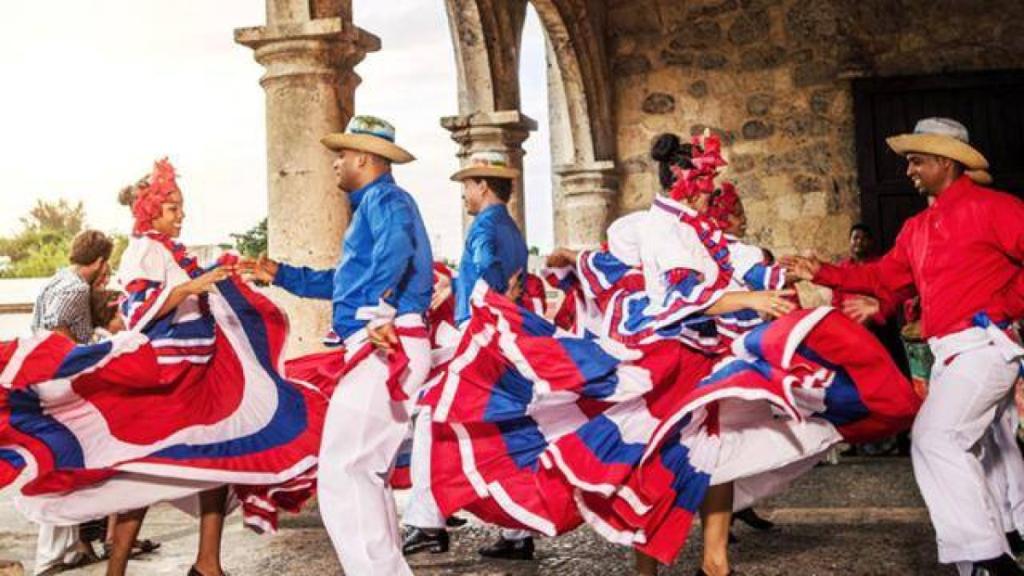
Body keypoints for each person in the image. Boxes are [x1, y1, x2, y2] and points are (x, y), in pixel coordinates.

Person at [783, 117, 1024, 576]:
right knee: (965, 447)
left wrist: (1006, 305)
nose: (908, 170)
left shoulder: (996, 208)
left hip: (984, 347)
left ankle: (991, 557)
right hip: (948, 355)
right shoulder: (917, 228)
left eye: (916, 161)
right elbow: (882, 276)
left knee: (937, 439)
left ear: (945, 162)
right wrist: (822, 272)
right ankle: (984, 555)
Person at [241, 115, 434, 576]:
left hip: (385, 342)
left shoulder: (385, 200)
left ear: (363, 158)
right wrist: (281, 274)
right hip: (388, 341)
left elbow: (395, 251)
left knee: (344, 472)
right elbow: (345, 281)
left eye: (342, 156)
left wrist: (375, 311)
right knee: (364, 472)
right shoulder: (376, 205)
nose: (336, 164)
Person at [401, 151, 536, 560]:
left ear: (483, 186)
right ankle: (516, 532)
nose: (464, 195)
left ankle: (427, 522)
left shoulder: (484, 226)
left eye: (467, 186)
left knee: (432, 414)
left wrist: (490, 295)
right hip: (499, 332)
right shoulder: (511, 228)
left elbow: (488, 266)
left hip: (478, 332)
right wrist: (466, 286)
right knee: (498, 428)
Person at [29, 230, 112, 575]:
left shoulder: (57, 278)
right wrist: (80, 357)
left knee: (68, 461)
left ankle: (73, 547)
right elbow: (57, 329)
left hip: (43, 380)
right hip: (60, 383)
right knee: (67, 464)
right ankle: (54, 556)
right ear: (101, 261)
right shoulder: (76, 288)